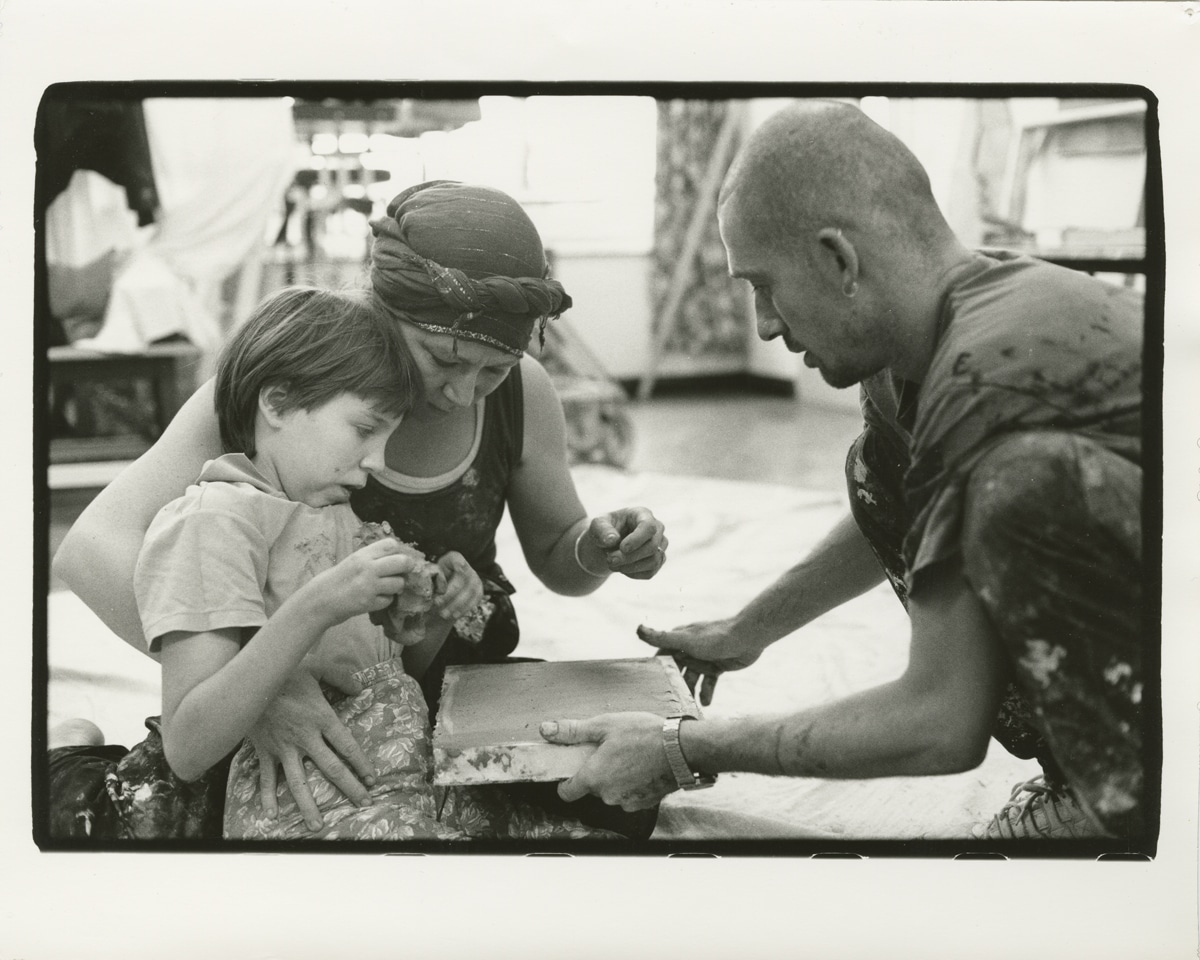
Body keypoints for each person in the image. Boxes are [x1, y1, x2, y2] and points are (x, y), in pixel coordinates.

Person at [539, 100, 1146, 841]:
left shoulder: (992, 379)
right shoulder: (919, 342)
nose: (764, 323)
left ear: (839, 261)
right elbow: (907, 507)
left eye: (765, 286)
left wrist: (680, 746)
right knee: (875, 466)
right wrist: (746, 629)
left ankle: (1115, 797)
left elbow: (939, 723)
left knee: (1017, 482)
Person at [50, 180, 668, 839]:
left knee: (617, 788)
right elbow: (92, 549)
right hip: (296, 680)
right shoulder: (297, 382)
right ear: (382, 309)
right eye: (444, 359)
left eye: (493, 370)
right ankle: (67, 757)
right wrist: (267, 685)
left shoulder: (522, 394)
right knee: (212, 814)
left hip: (433, 679)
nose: (464, 393)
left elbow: (557, 552)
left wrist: (594, 548)